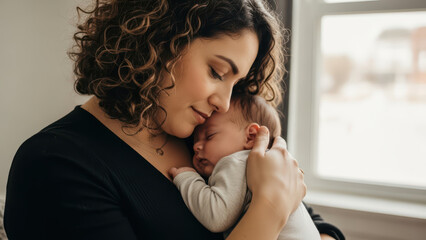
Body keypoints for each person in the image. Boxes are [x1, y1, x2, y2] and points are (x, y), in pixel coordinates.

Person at [4, 0, 344, 239]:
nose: (224, 103)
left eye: (235, 84)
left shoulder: (201, 137)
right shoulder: (55, 165)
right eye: (216, 71)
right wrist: (268, 208)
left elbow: (315, 224)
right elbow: (278, 201)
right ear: (161, 40)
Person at [169, 95, 321, 240]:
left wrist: (188, 178)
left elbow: (217, 216)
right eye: (196, 140)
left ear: (251, 136)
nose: (196, 146)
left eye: (209, 136)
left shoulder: (236, 162)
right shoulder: (267, 167)